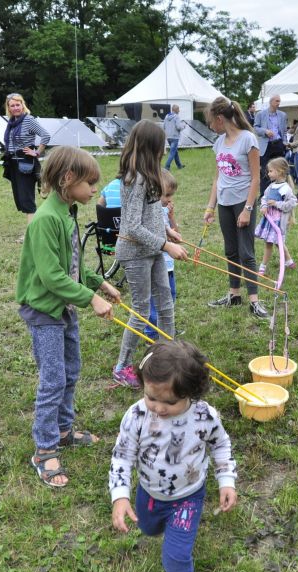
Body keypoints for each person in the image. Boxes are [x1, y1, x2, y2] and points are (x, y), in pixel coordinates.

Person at [16, 146, 121, 488]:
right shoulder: (46, 219)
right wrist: (90, 299)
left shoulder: (67, 212)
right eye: (90, 183)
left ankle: (63, 430)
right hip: (45, 310)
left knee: (70, 371)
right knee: (53, 379)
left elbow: (71, 264)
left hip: (64, 306)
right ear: (67, 179)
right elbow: (51, 276)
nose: (95, 190)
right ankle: (44, 450)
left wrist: (99, 282)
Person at [109, 340, 237, 572]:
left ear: (191, 393)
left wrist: (226, 481)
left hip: (188, 497)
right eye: (150, 397)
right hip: (150, 493)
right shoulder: (136, 416)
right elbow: (122, 457)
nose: (157, 407)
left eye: (169, 402)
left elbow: (220, 445)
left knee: (177, 555)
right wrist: (120, 495)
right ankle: (162, 526)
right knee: (149, 529)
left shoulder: (204, 417)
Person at [112, 122, 190, 389]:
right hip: (135, 254)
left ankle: (168, 357)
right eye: (162, 143)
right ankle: (122, 366)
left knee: (166, 304)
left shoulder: (152, 175)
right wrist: (166, 246)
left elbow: (152, 213)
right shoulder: (136, 178)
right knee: (142, 310)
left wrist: (168, 232)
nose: (165, 147)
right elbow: (132, 225)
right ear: (152, 146)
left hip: (154, 249)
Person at [204, 97, 269, 319]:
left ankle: (254, 301)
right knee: (230, 251)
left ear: (220, 119)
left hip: (243, 202)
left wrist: (248, 209)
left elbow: (256, 178)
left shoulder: (248, 139)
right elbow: (217, 178)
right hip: (224, 203)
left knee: (246, 252)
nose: (211, 126)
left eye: (212, 121)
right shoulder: (219, 142)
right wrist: (210, 207)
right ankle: (234, 295)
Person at [2, 93, 50, 235]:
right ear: (8, 108)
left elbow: (46, 135)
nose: (16, 108)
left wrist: (37, 152)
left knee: (27, 199)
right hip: (13, 164)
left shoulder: (28, 120)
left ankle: (30, 234)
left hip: (25, 164)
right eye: (12, 105)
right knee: (21, 198)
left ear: (23, 105)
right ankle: (32, 230)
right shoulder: (11, 122)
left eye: (18, 104)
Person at [145, 170, 180, 339]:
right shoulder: (150, 213)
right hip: (157, 263)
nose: (169, 199)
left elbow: (175, 234)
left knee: (170, 296)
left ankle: (166, 327)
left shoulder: (165, 211)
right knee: (155, 300)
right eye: (166, 195)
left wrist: (172, 217)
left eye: (171, 195)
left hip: (169, 264)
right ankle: (152, 332)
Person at [255, 157, 297, 275]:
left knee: (278, 243)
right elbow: (264, 197)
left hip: (278, 221)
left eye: (270, 171)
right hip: (269, 220)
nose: (268, 173)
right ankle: (287, 261)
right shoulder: (271, 186)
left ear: (279, 171)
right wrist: (263, 206)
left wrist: (276, 204)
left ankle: (264, 266)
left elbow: (292, 203)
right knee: (271, 243)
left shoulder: (285, 188)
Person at [254, 95, 287, 194]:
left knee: (280, 169)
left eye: (279, 101)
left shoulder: (283, 115)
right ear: (271, 102)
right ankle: (264, 195)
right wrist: (265, 131)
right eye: (277, 101)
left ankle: (279, 192)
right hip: (266, 145)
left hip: (278, 144)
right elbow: (256, 128)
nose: (278, 103)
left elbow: (284, 131)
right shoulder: (260, 114)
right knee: (265, 170)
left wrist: (284, 142)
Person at [163, 104, 188, 170]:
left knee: (175, 152)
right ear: (176, 110)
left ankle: (179, 165)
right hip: (175, 137)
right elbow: (178, 127)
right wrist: (184, 126)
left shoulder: (166, 116)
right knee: (172, 153)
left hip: (168, 137)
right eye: (178, 109)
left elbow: (164, 126)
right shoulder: (176, 117)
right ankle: (167, 166)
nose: (179, 111)